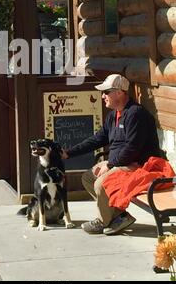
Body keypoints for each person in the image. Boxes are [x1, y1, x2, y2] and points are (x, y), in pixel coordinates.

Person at [62, 74, 163, 236]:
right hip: (123, 163)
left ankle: (103, 221)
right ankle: (120, 216)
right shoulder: (113, 116)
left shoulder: (136, 114)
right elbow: (97, 139)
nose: (103, 96)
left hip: (140, 167)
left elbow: (132, 148)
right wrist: (69, 153)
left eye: (106, 92)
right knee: (89, 177)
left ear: (120, 92)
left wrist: (110, 164)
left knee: (102, 183)